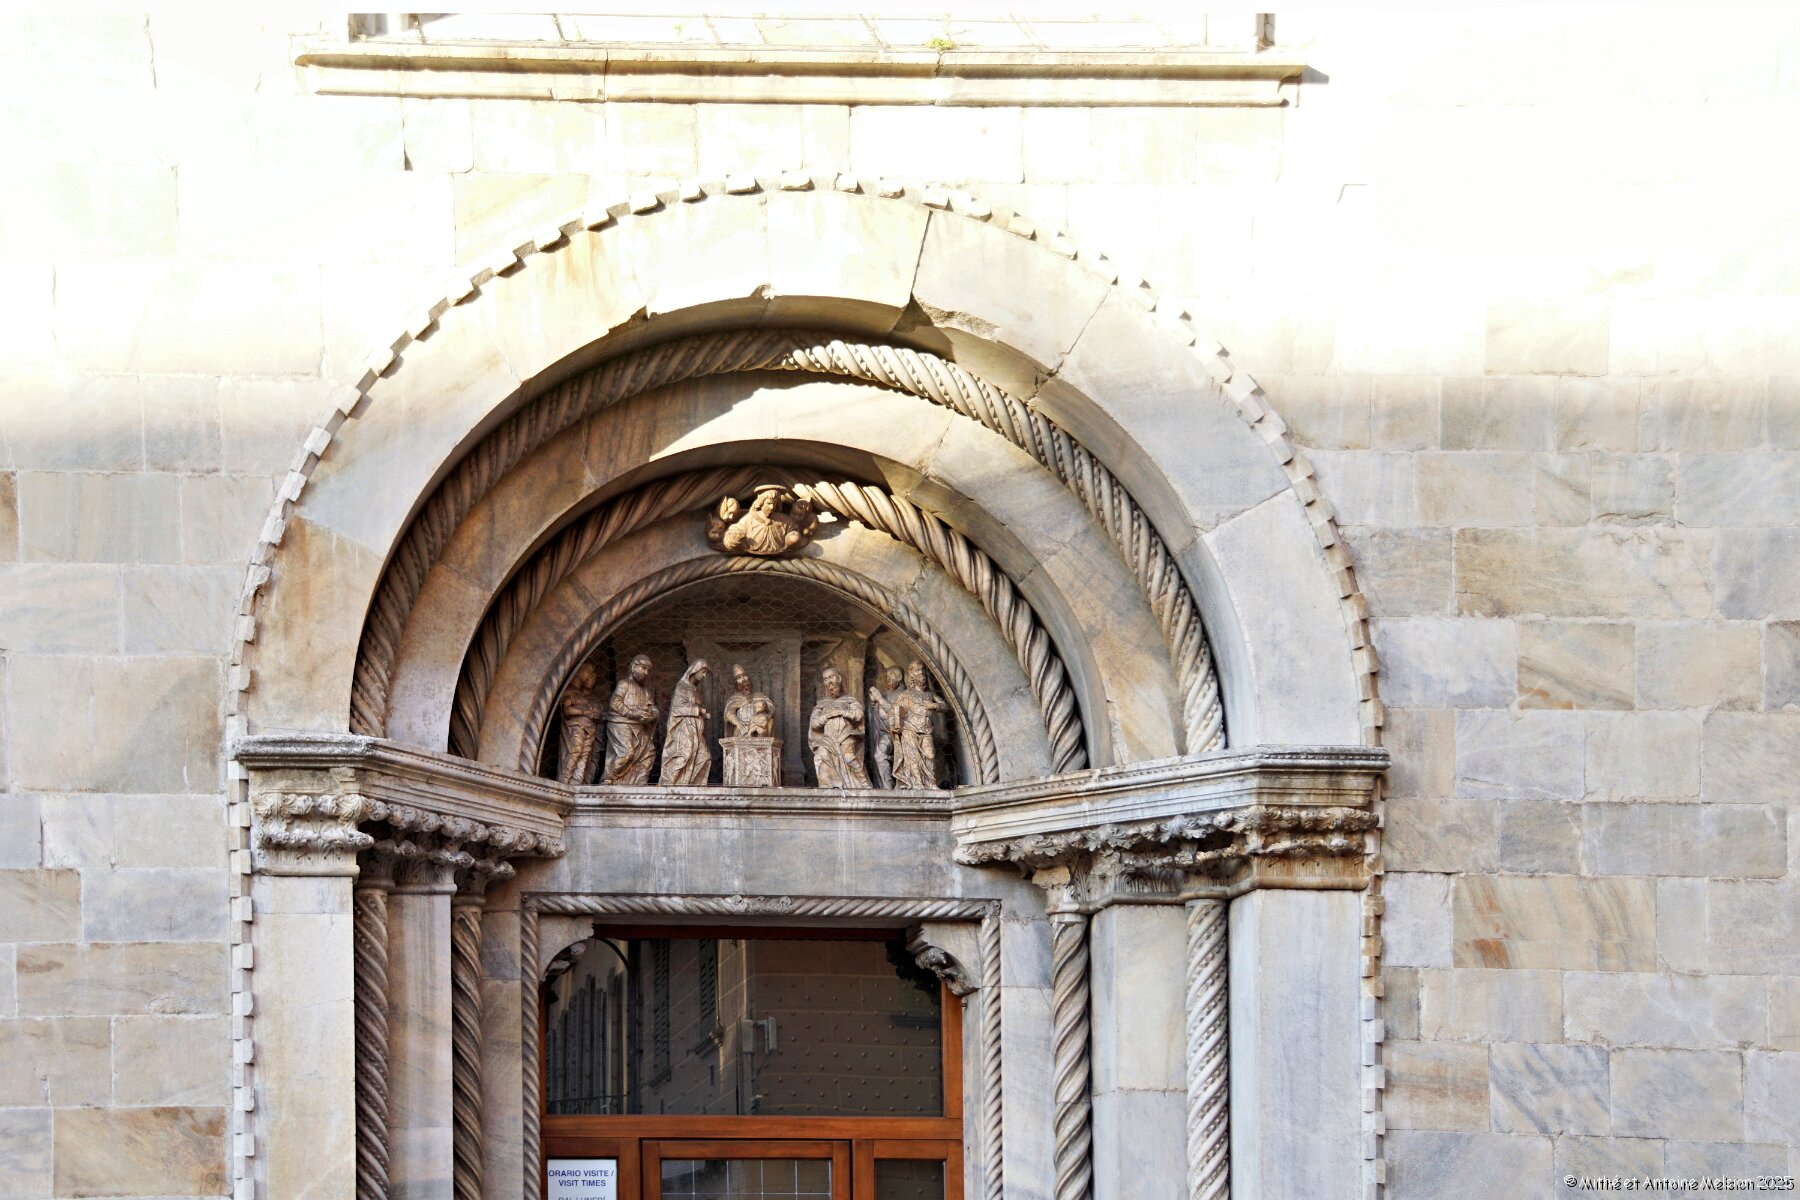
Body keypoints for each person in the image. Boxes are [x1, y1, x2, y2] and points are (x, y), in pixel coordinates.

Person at [809, 665, 872, 788]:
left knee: (849, 757)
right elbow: (814, 723)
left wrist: (842, 712)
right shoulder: (822, 703)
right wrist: (826, 716)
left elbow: (859, 715)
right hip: (828, 739)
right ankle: (827, 786)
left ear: (839, 678)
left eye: (831, 677)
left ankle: (863, 783)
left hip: (845, 736)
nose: (829, 681)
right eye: (826, 679)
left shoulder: (850, 700)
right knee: (820, 755)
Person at [600, 654, 659, 785]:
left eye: (648, 670)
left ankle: (639, 781)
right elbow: (615, 702)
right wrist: (631, 713)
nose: (646, 673)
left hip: (639, 727)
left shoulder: (645, 691)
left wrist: (653, 714)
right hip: (621, 724)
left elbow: (652, 707)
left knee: (649, 753)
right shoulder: (624, 684)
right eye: (643, 668)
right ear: (633, 667)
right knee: (626, 753)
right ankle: (608, 778)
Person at [890, 660, 946, 790]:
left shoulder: (930, 694)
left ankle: (931, 783)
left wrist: (934, 705)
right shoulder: (906, 694)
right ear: (911, 675)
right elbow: (894, 712)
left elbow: (944, 706)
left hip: (926, 730)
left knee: (930, 754)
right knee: (913, 758)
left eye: (922, 670)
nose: (921, 673)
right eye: (917, 670)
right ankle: (917, 783)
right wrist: (896, 724)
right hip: (910, 730)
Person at [657, 659, 712, 786]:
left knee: (705, 757)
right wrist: (698, 710)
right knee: (684, 756)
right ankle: (669, 785)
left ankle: (692, 786)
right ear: (695, 670)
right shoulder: (681, 687)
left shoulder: (694, 689)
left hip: (696, 732)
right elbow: (677, 709)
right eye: (703, 672)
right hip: (683, 730)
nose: (704, 676)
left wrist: (702, 713)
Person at [557, 662, 606, 784]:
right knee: (576, 750)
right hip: (576, 728)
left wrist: (593, 713)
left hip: (589, 730)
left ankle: (577, 781)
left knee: (585, 756)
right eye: (588, 672)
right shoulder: (569, 691)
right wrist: (585, 712)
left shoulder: (583, 695)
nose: (591, 676)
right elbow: (567, 710)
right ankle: (565, 778)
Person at [866, 664, 904, 789]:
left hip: (903, 735)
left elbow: (896, 714)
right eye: (887, 677)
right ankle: (887, 786)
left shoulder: (905, 695)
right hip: (885, 734)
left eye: (891, 676)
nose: (888, 680)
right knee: (879, 754)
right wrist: (873, 703)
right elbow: (874, 716)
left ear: (900, 677)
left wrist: (879, 699)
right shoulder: (885, 695)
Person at [722, 663, 774, 738]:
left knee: (762, 731)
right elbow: (729, 712)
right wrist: (738, 724)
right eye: (739, 678)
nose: (743, 679)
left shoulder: (759, 696)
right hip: (741, 729)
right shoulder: (734, 698)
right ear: (736, 682)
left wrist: (767, 716)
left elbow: (770, 706)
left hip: (758, 726)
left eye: (744, 676)